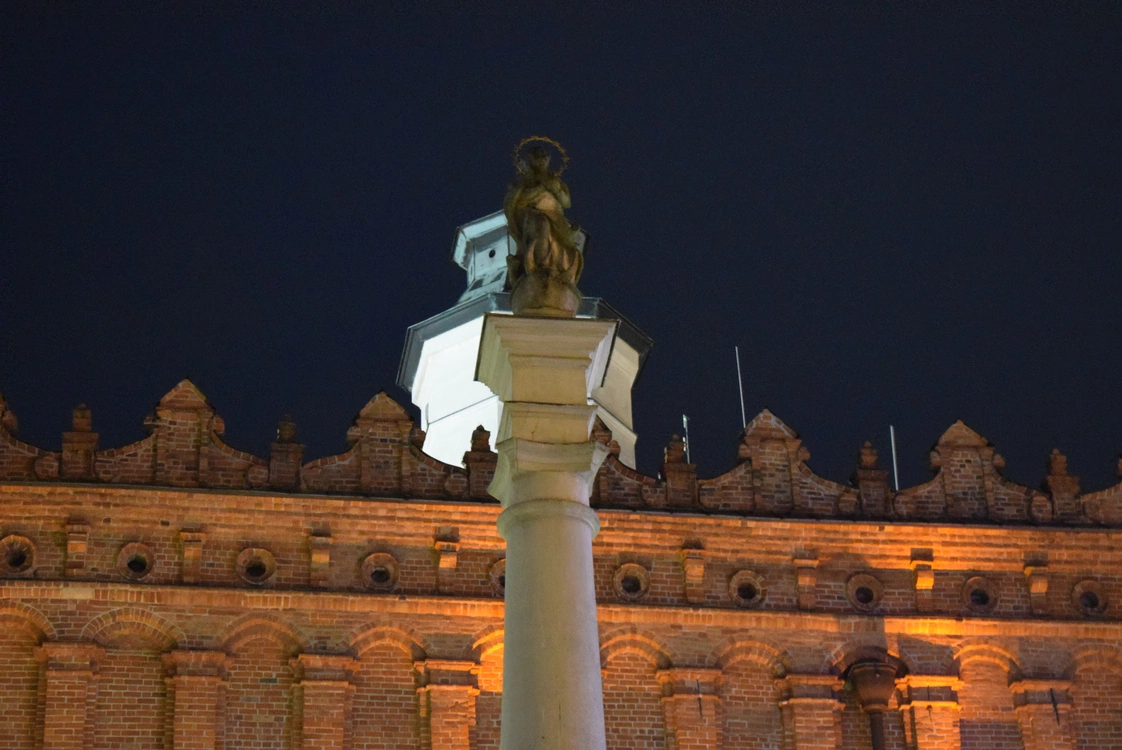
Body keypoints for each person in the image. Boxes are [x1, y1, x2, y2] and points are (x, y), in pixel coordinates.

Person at [503, 146, 583, 288]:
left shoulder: (555, 180)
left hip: (556, 218)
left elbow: (566, 202)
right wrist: (541, 187)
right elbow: (519, 200)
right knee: (542, 225)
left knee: (567, 245)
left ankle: (560, 268)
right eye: (537, 157)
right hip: (533, 217)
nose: (542, 160)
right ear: (531, 160)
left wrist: (555, 189)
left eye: (545, 157)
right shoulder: (525, 180)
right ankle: (540, 266)